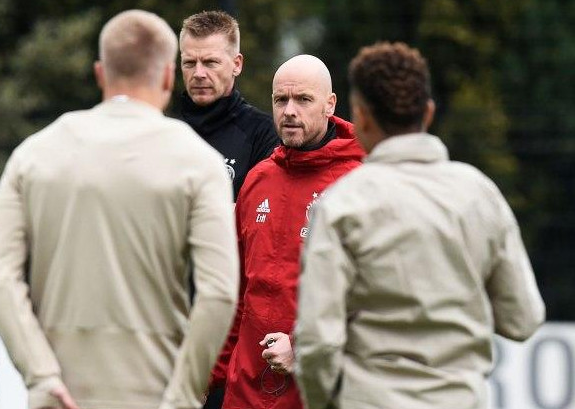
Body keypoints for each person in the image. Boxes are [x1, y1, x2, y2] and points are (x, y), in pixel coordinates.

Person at [0, 10, 239, 409]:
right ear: (170, 75)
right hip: (155, 393)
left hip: (60, 395)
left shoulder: (34, 154)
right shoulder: (197, 162)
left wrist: (40, 374)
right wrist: (184, 392)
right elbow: (219, 292)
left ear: (100, 72)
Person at [294, 42, 546, 409]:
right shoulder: (479, 195)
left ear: (360, 116)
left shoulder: (340, 205)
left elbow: (318, 339)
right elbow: (522, 319)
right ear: (427, 113)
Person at [213, 55, 364, 409]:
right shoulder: (258, 179)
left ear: (330, 105)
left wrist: (303, 349)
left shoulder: (358, 184)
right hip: (245, 391)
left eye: (303, 100)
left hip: (319, 390)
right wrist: (208, 377)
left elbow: (373, 299)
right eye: (281, 100)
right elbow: (237, 293)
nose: (289, 111)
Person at [179, 10, 279, 201]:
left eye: (210, 62)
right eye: (190, 63)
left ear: (237, 64)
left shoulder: (265, 134)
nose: (199, 73)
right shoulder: (165, 130)